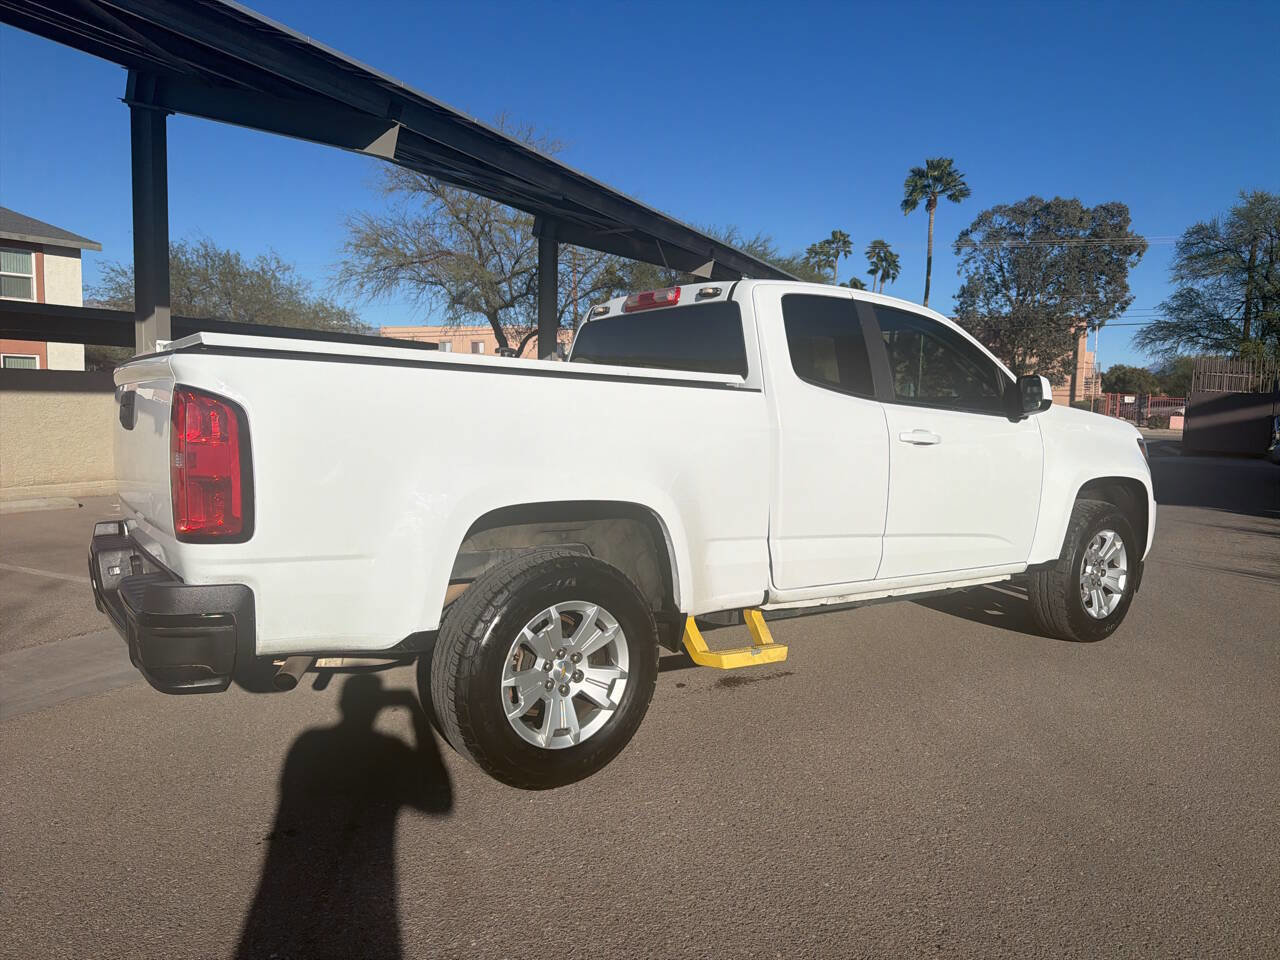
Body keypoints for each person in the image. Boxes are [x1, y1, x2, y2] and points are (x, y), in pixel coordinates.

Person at [236, 672, 452, 959]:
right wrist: (415, 713)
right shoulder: (390, 749)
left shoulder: (307, 743)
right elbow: (439, 802)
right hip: (367, 907)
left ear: (341, 704)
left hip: (282, 898)